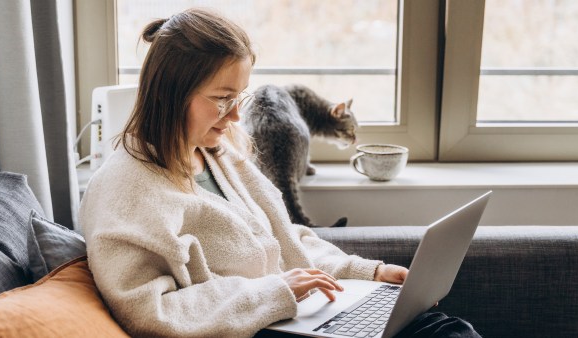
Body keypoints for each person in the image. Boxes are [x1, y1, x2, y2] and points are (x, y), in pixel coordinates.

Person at [79, 8, 481, 338]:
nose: (237, 115)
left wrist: (368, 273)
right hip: (258, 328)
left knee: (443, 328)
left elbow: (285, 240)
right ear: (171, 94)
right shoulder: (126, 190)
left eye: (240, 97)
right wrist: (274, 292)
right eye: (222, 100)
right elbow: (148, 312)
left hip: (299, 318)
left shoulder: (219, 153)